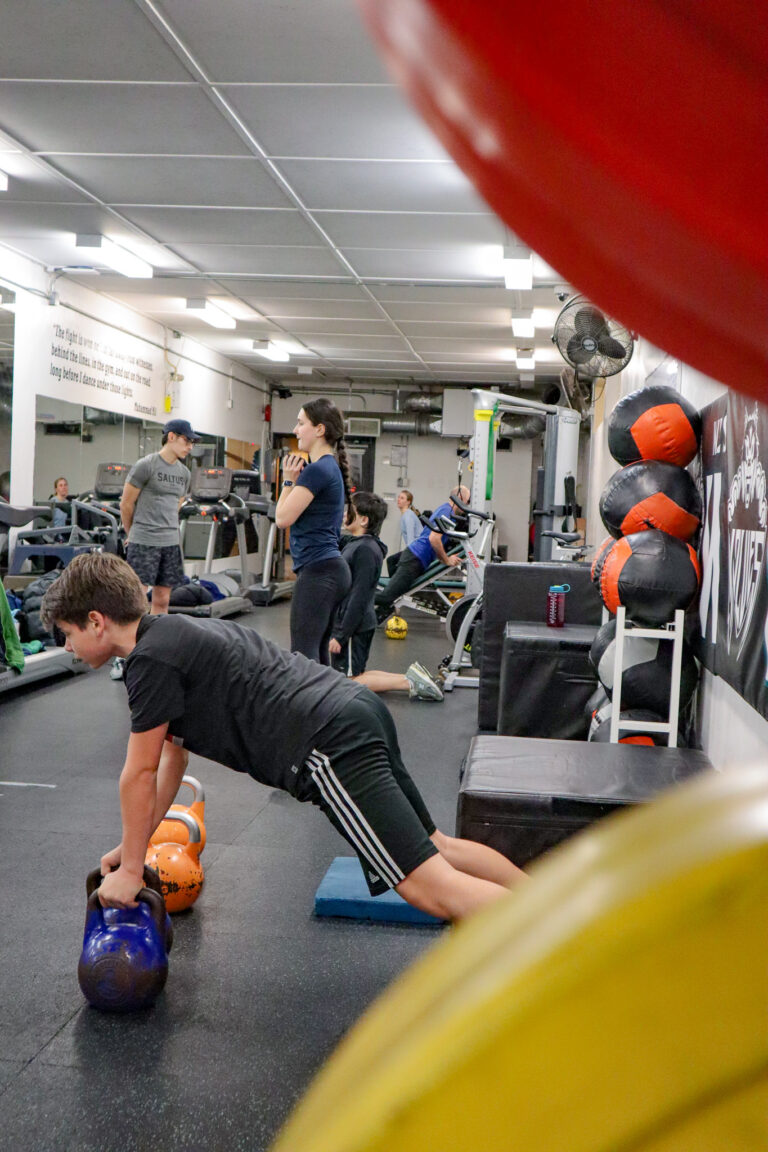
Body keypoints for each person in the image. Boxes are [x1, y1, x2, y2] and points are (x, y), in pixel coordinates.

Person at [41, 553, 525, 922]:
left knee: (427, 886)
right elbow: (171, 764)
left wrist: (129, 872)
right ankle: (557, 910)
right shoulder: (174, 633)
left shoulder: (149, 661)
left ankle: (563, 949)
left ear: (97, 622)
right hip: (354, 709)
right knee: (436, 845)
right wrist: (133, 851)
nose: (68, 648)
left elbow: (138, 773)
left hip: (326, 743)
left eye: (68, 633)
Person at [329, 491, 443, 701]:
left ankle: (410, 683)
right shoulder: (357, 543)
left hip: (355, 625)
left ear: (363, 519)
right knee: (355, 675)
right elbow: (337, 539)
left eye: (349, 512)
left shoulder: (365, 550)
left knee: (348, 681)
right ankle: (412, 678)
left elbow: (360, 597)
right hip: (354, 622)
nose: (345, 515)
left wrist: (340, 634)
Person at [112, 418, 199, 679]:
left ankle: (156, 651)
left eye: (192, 442)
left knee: (162, 600)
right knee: (136, 600)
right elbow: (126, 504)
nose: (190, 447)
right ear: (171, 437)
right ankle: (123, 656)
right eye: (186, 441)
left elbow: (176, 505)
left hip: (170, 543)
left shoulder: (183, 473)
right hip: (144, 540)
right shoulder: (146, 466)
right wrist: (132, 534)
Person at [276, 398, 352, 665]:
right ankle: (325, 706)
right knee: (317, 654)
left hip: (320, 572)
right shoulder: (327, 467)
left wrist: (287, 480)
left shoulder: (318, 470)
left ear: (319, 429)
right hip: (328, 571)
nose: (296, 430)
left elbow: (282, 518)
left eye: (300, 423)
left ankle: (307, 707)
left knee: (303, 655)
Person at [375, 485, 470, 622]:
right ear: (460, 498)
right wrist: (446, 560)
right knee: (386, 597)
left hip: (416, 557)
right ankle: (349, 598)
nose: (467, 505)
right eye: (467, 501)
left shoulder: (446, 510)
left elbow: (436, 540)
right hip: (414, 558)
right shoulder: (447, 512)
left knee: (390, 597)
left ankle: (375, 616)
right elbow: (434, 539)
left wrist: (446, 558)